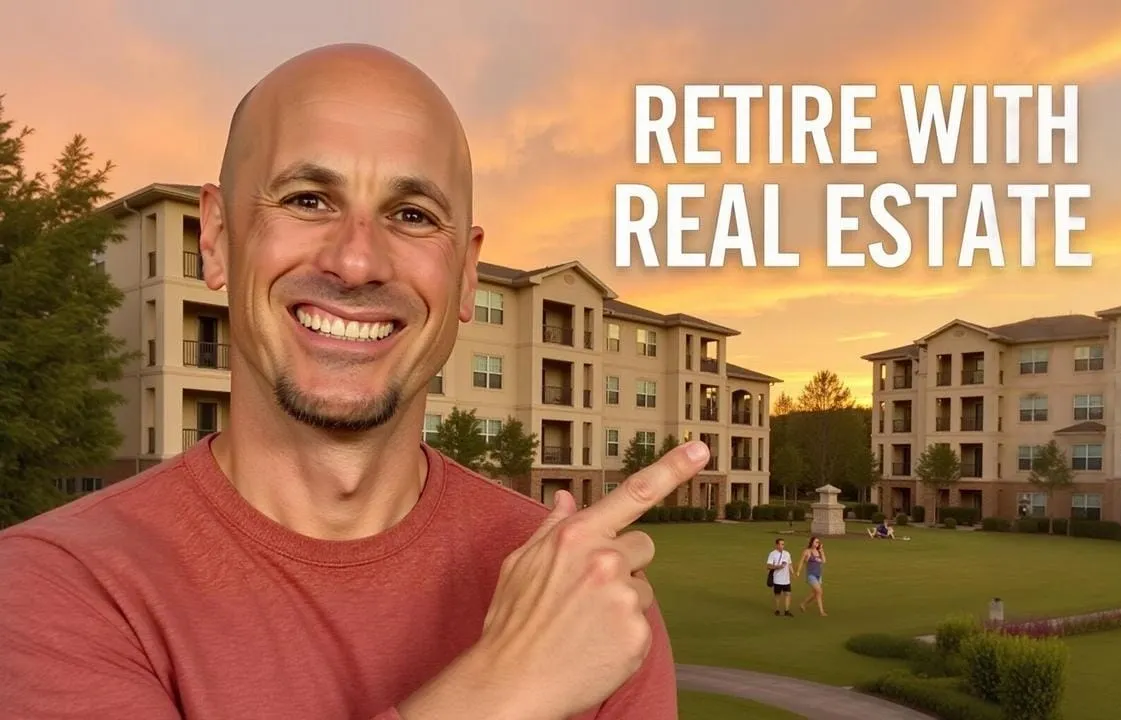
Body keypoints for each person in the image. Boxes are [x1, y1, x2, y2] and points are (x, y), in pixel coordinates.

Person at [0, 43, 708, 720]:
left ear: (466, 274)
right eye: (308, 199)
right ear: (215, 238)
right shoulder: (52, 587)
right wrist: (504, 688)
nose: (357, 261)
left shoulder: (585, 596)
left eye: (412, 215)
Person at [797, 536, 827, 616]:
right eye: (816, 542)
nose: (817, 543)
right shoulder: (807, 551)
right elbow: (801, 561)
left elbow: (824, 561)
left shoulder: (819, 551)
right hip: (811, 575)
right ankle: (821, 611)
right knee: (819, 591)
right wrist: (798, 571)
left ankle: (803, 604)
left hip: (818, 575)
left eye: (818, 542)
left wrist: (821, 551)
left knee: (816, 593)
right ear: (812, 542)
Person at [765, 537, 794, 616]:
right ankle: (777, 610)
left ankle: (787, 611)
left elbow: (789, 564)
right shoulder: (772, 554)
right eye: (781, 544)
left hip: (786, 579)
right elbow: (768, 566)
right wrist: (778, 567)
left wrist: (792, 572)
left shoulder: (787, 553)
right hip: (777, 579)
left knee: (788, 594)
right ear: (777, 545)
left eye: (783, 544)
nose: (782, 546)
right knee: (777, 595)